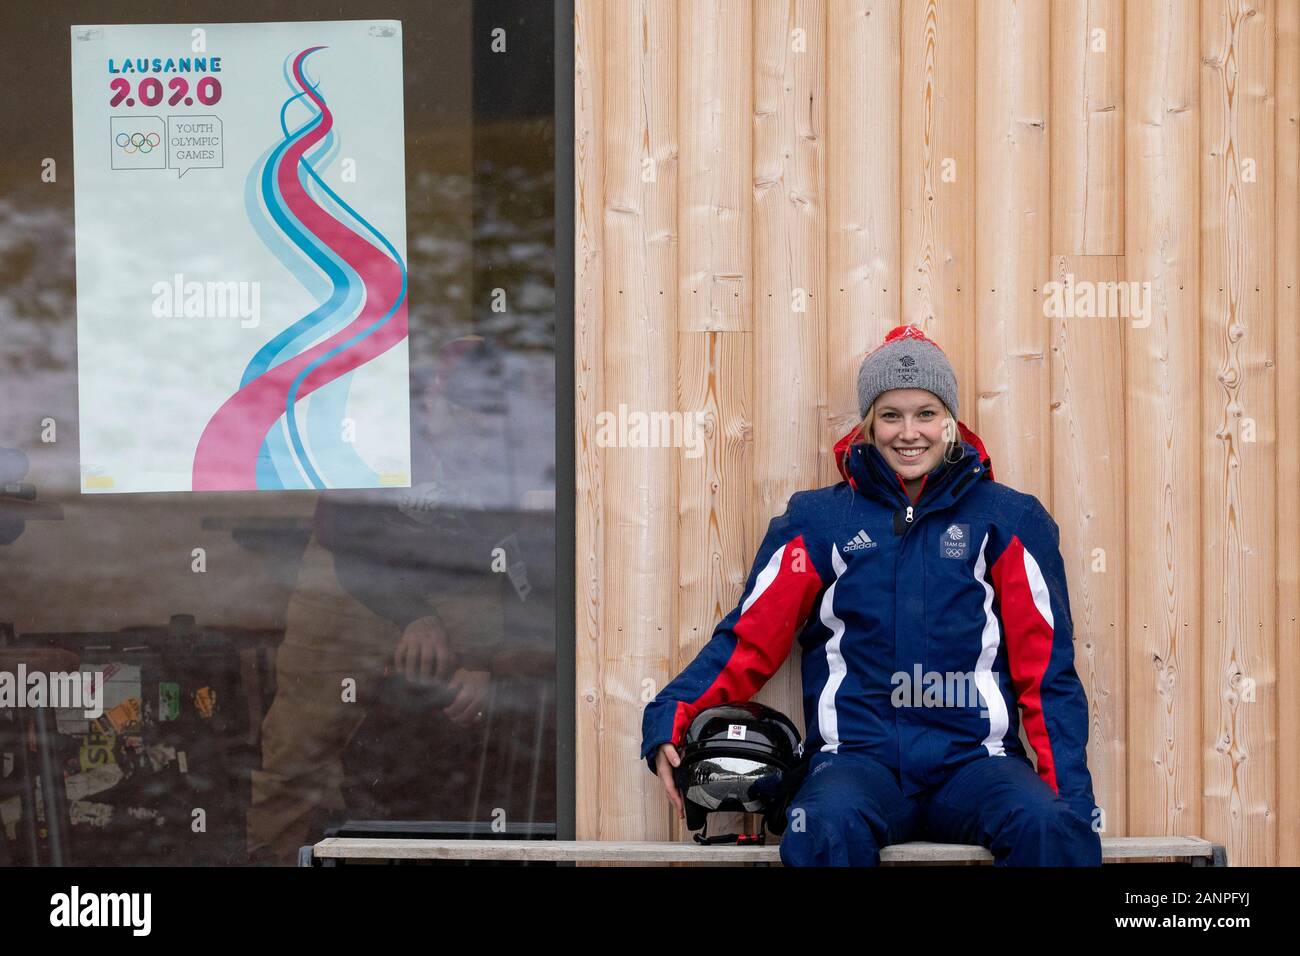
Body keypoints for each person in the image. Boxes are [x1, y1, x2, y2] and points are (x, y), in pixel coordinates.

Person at [641, 324, 1102, 866]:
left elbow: (1047, 675)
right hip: (855, 764)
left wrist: (1070, 803)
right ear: (868, 425)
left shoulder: (1008, 519)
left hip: (977, 764)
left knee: (1048, 827)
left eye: (926, 413)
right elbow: (748, 641)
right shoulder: (817, 521)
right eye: (891, 415)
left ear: (950, 421)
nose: (909, 433)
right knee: (823, 826)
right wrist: (672, 711)